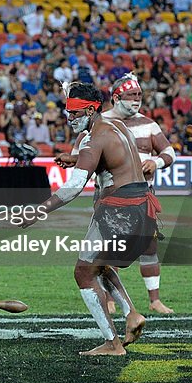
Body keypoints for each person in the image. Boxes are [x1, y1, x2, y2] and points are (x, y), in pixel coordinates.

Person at [21, 82, 152, 356]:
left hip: (118, 210)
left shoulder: (94, 138)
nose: (69, 119)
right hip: (141, 206)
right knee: (99, 265)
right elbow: (112, 160)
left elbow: (74, 187)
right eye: (67, 112)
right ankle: (132, 314)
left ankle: (112, 343)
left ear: (91, 110)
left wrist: (38, 210)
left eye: (75, 113)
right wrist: (76, 157)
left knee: (83, 271)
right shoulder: (116, 127)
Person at [60, 74, 177, 314]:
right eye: (130, 96)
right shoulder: (98, 122)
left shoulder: (149, 124)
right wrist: (74, 159)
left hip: (143, 194)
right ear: (115, 98)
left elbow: (169, 153)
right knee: (107, 250)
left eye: (139, 95)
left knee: (149, 247)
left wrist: (156, 162)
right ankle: (112, 300)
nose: (136, 100)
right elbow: (83, 153)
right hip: (109, 197)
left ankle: (154, 299)